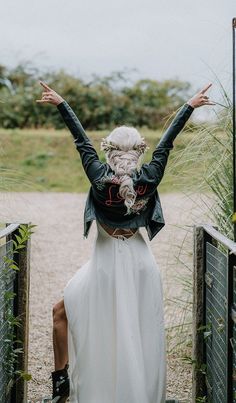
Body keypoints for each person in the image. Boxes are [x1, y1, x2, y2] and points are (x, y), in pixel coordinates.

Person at [36, 81, 215, 403]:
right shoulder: (150, 177)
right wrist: (188, 106)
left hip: (104, 265)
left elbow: (81, 141)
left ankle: (63, 386)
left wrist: (62, 103)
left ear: (109, 151)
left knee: (70, 314)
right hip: (141, 263)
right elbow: (167, 143)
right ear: (139, 151)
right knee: (137, 331)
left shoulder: (97, 176)